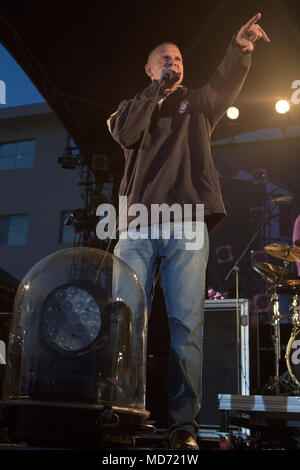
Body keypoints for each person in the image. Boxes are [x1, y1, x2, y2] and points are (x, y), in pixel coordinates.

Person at [107, 13, 270, 450]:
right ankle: (123, 414)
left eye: (177, 58)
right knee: (125, 321)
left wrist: (239, 50)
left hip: (187, 225)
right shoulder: (131, 108)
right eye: (164, 58)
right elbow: (124, 134)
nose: (173, 62)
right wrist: (153, 92)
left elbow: (224, 82)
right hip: (137, 224)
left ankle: (184, 426)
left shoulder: (197, 103)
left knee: (186, 326)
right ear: (150, 68)